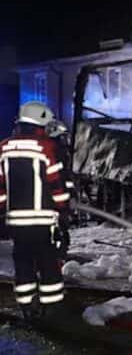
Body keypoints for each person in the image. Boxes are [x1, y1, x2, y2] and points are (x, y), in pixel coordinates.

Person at [0, 102, 72, 318]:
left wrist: (4, 209)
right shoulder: (45, 147)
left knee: (22, 262)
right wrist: (64, 208)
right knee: (48, 261)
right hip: (42, 220)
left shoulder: (3, 147)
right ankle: (51, 308)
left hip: (16, 222)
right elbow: (56, 183)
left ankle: (27, 305)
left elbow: (1, 187)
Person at [45, 120, 73, 262]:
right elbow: (60, 175)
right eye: (62, 137)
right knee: (57, 225)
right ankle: (56, 254)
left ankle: (57, 252)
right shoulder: (54, 150)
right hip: (56, 195)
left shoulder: (55, 149)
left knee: (59, 225)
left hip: (57, 194)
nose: (65, 140)